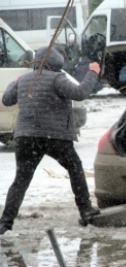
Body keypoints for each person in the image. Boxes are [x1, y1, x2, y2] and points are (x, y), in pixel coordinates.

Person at [0, 46, 101, 235]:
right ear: (56, 63)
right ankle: (86, 211)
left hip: (26, 137)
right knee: (75, 168)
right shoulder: (57, 78)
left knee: (21, 180)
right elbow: (80, 93)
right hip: (54, 137)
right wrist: (93, 72)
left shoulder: (23, 80)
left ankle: (5, 223)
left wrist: (15, 82)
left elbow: (6, 100)